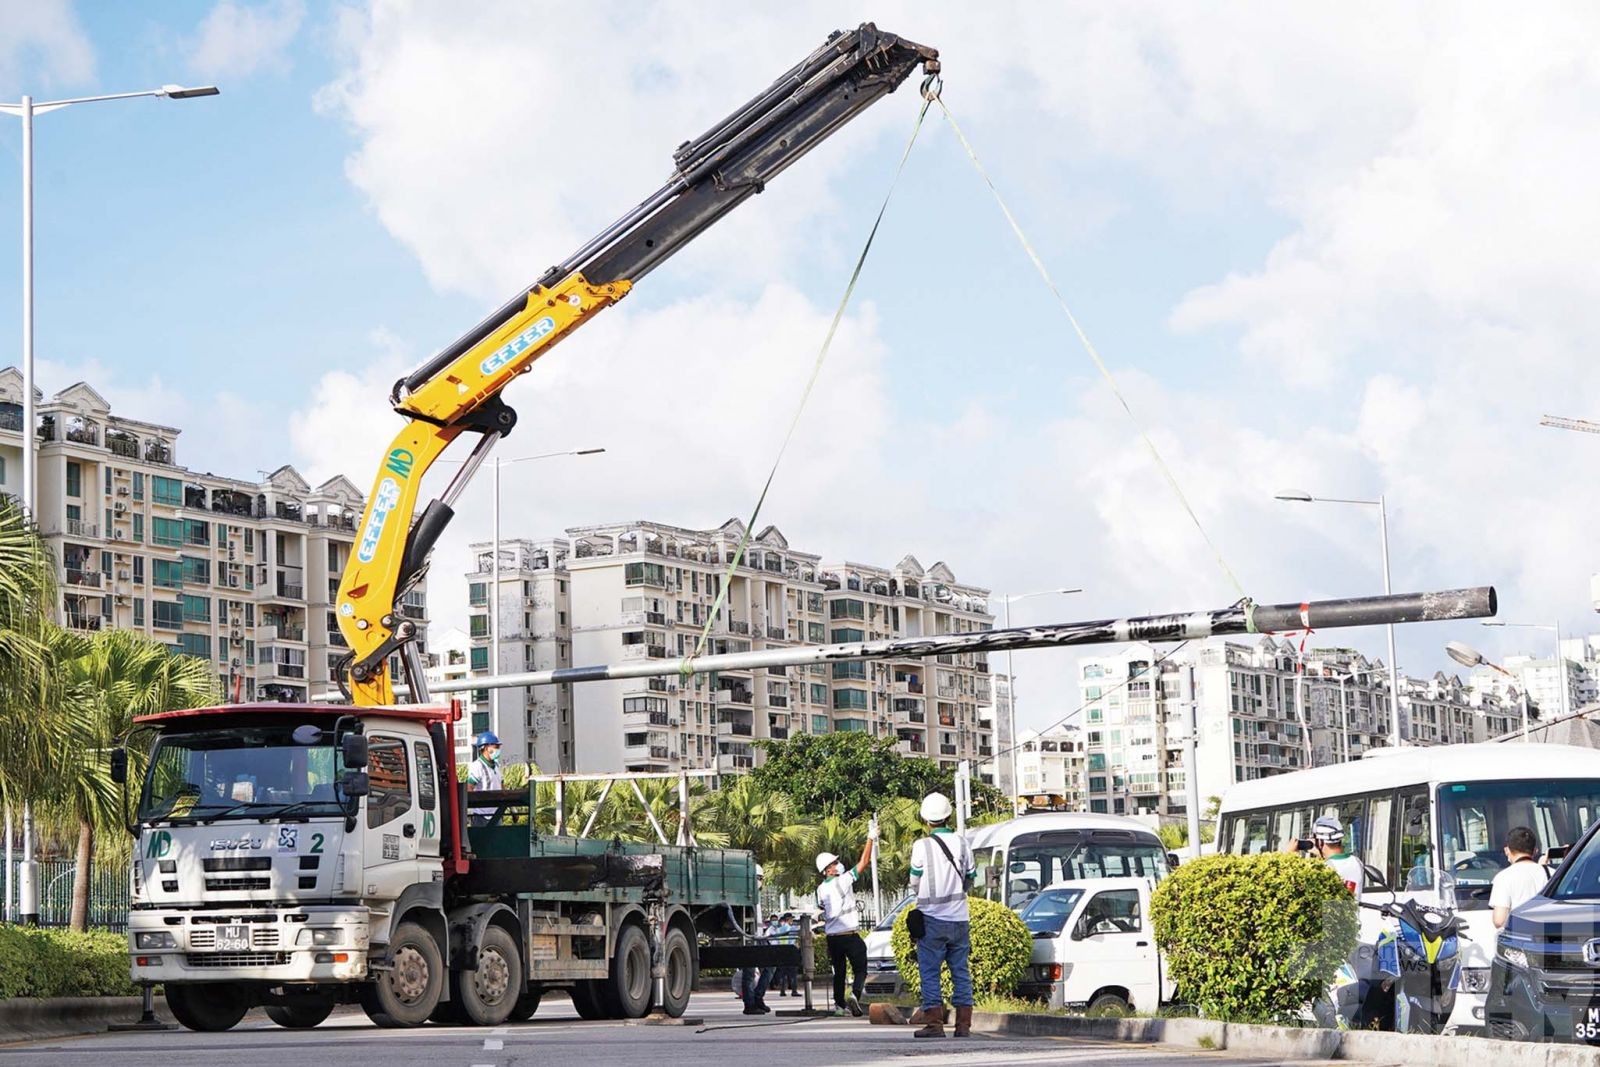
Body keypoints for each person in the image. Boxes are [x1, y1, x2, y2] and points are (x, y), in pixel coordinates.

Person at [908, 792, 976, 1039]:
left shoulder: (921, 846)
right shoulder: (963, 843)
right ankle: (963, 1027)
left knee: (930, 973)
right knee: (961, 972)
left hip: (932, 920)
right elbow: (970, 878)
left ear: (926, 820)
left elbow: (914, 882)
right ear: (949, 816)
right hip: (960, 919)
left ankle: (935, 1025)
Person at [816, 828, 875, 1017]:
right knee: (860, 968)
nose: (838, 864)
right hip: (849, 935)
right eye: (835, 863)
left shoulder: (820, 889)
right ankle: (855, 995)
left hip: (833, 938)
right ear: (828, 869)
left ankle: (840, 1006)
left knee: (839, 973)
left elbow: (822, 909)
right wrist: (870, 839)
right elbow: (864, 862)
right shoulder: (841, 881)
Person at [1283, 815, 1363, 903]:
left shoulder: (1324, 868)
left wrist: (1290, 856)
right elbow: (1339, 865)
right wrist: (1321, 853)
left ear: (1320, 842)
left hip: (1328, 916)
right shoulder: (1357, 862)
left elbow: (1295, 890)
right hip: (1352, 915)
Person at [1491, 826, 1549, 929]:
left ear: (1506, 850)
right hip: (1548, 937)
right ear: (1535, 851)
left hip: (1521, 937)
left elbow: (1499, 920)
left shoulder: (1503, 877)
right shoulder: (1552, 873)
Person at [467, 731, 503, 825]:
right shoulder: (477, 766)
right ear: (486, 748)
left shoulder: (497, 766)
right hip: (481, 816)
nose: (498, 750)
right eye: (496, 747)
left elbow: (502, 787)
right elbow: (469, 787)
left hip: (496, 814)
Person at [772, 913, 799, 995]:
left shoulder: (779, 929)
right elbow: (794, 940)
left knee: (782, 973)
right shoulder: (792, 929)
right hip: (790, 951)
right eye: (792, 919)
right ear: (789, 919)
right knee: (793, 973)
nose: (792, 921)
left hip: (781, 951)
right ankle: (794, 991)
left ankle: (782, 991)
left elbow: (775, 941)